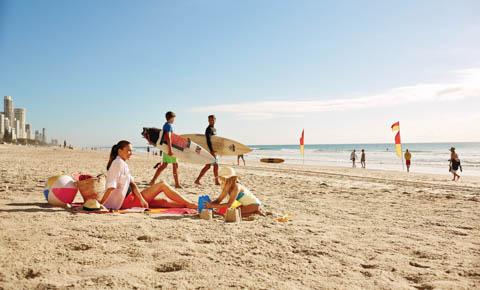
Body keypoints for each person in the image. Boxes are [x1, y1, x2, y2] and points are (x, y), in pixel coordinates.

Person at [100, 140, 196, 210]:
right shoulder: (118, 163)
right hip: (127, 202)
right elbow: (111, 186)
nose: (131, 153)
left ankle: (187, 205)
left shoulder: (123, 163)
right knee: (162, 184)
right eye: (128, 150)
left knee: (163, 201)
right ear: (120, 151)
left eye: (132, 151)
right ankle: (189, 203)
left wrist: (141, 199)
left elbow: (133, 184)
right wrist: (101, 204)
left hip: (133, 197)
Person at [149, 111, 182, 188]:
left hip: (165, 148)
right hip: (169, 148)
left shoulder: (165, 125)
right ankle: (177, 184)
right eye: (173, 118)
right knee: (175, 165)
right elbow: (168, 138)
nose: (174, 120)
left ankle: (153, 181)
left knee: (164, 165)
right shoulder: (169, 126)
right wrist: (170, 150)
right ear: (171, 118)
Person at [195, 115, 220, 185]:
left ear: (215, 120)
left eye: (213, 119)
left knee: (209, 166)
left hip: (213, 150)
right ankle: (216, 181)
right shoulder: (208, 129)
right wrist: (211, 151)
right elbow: (208, 140)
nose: (211, 121)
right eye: (210, 120)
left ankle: (198, 180)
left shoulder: (214, 129)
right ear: (208, 120)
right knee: (214, 165)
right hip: (210, 151)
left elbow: (214, 140)